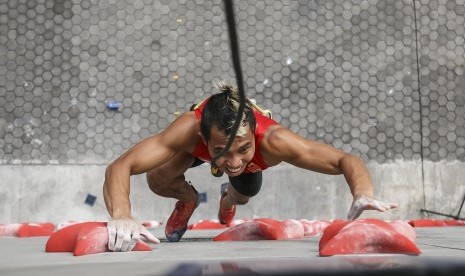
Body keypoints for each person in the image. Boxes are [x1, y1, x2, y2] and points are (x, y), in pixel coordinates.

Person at [103, 81, 398, 252]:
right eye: (223, 152)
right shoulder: (187, 130)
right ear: (203, 136)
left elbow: (345, 160)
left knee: (244, 192)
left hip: (248, 170)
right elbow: (120, 166)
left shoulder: (275, 141)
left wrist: (362, 191)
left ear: (253, 137)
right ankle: (188, 198)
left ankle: (228, 197)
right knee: (157, 179)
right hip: (197, 152)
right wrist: (121, 214)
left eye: (243, 148)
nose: (233, 162)